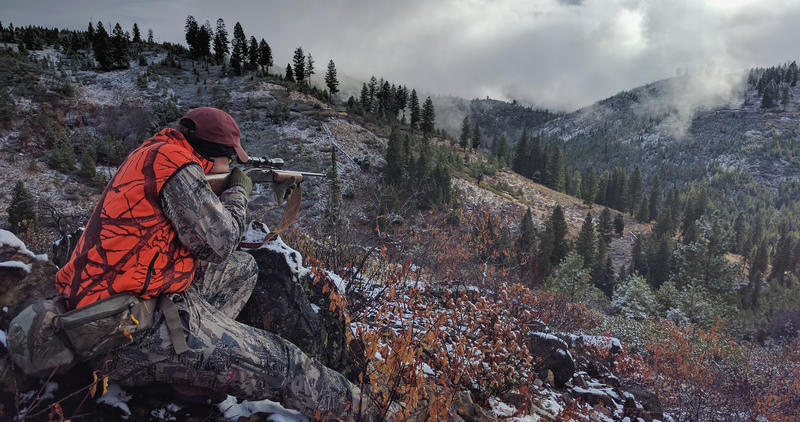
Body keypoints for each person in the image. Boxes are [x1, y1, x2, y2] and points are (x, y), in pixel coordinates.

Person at [55, 107, 371, 419]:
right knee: (287, 364)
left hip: (124, 303)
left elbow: (211, 221)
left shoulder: (158, 153)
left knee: (244, 268)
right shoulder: (178, 167)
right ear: (213, 152)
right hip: (123, 331)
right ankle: (372, 413)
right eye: (229, 159)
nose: (231, 165)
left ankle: (188, 369)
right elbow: (218, 243)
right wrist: (237, 189)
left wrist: (268, 198)